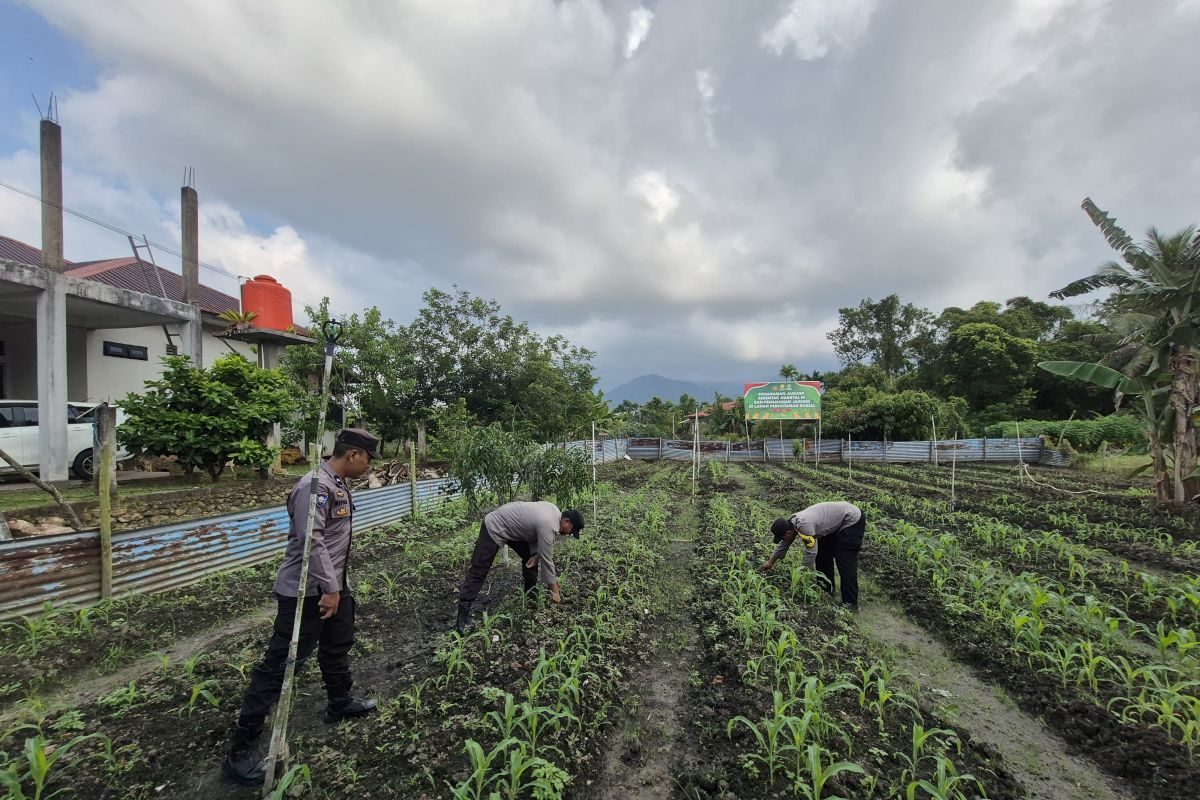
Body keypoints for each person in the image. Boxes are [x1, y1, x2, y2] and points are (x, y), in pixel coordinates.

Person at [222, 428, 383, 786]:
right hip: (306, 592)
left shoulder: (337, 483)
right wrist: (328, 587)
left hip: (333, 587)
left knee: (338, 643)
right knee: (280, 664)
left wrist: (336, 587)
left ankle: (339, 702)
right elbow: (313, 539)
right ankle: (241, 750)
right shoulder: (314, 487)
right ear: (354, 455)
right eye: (369, 460)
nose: (369, 467)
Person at [456, 501, 584, 632]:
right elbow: (547, 560)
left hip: (513, 528)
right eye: (572, 531)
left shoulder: (554, 512)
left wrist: (535, 556)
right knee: (479, 569)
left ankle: (530, 598)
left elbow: (541, 543)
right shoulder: (548, 522)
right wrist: (555, 593)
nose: (569, 534)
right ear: (567, 521)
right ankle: (462, 619)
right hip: (495, 525)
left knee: (530, 556)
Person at [761, 501, 866, 610]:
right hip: (834, 522)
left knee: (844, 559)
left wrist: (801, 575)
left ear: (788, 533)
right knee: (823, 556)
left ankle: (850, 603)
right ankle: (826, 589)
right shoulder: (792, 524)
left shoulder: (804, 525)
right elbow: (784, 545)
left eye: (782, 538)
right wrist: (770, 562)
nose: (782, 541)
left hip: (851, 519)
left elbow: (811, 552)